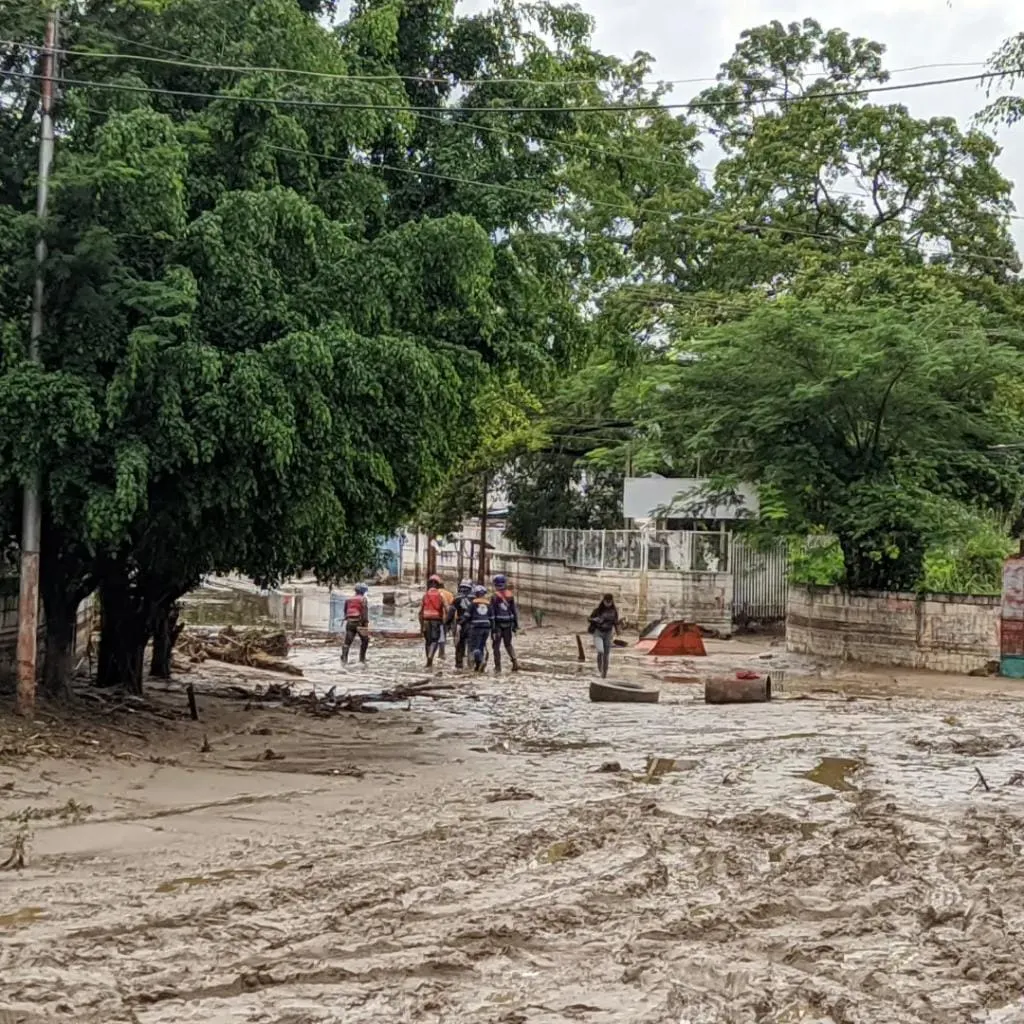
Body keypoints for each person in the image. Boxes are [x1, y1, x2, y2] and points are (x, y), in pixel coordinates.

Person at [489, 573, 519, 674]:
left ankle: (498, 667)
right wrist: (516, 624)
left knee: (496, 646)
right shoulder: (510, 595)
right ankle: (514, 661)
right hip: (508, 623)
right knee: (508, 644)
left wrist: (492, 628)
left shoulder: (494, 596)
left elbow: (492, 613)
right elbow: (514, 611)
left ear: (495, 584)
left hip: (497, 624)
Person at [588, 593, 619, 678]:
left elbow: (616, 622)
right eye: (607, 601)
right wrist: (596, 620)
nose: (608, 603)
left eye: (610, 601)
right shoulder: (598, 610)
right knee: (601, 651)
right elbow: (589, 618)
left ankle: (604, 674)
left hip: (608, 633)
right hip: (598, 632)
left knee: (606, 654)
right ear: (604, 601)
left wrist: (618, 631)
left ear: (612, 601)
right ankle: (599, 668)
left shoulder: (614, 611)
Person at [419, 574, 447, 667]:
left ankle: (428, 661)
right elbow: (447, 608)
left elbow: (420, 612)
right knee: (435, 640)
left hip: (426, 620)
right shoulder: (440, 595)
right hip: (436, 620)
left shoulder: (425, 595)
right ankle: (431, 657)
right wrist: (446, 622)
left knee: (428, 641)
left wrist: (421, 626)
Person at [341, 583, 370, 664]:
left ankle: (344, 659)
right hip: (359, 622)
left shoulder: (349, 599)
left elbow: (345, 611)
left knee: (347, 642)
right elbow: (364, 612)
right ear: (363, 591)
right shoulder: (363, 599)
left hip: (350, 622)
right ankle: (362, 659)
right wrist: (365, 624)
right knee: (365, 640)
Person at [468, 584, 493, 672]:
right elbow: (492, 617)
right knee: (481, 646)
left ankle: (481, 661)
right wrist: (493, 630)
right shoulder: (488, 603)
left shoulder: (473, 603)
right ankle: (478, 666)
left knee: (475, 647)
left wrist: (460, 623)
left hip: (476, 627)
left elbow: (467, 615)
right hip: (487, 627)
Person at [452, 579, 474, 669]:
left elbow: (451, 612)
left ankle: (459, 664)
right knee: (471, 645)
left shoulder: (456, 599)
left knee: (459, 645)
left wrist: (447, 623)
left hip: (460, 625)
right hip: (472, 625)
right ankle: (470, 665)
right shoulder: (475, 599)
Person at [437, 578, 455, 661]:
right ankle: (442, 653)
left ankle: (436, 654)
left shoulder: (434, 593)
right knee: (443, 636)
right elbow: (452, 608)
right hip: (445, 618)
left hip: (434, 618)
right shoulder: (449, 594)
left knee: (435, 637)